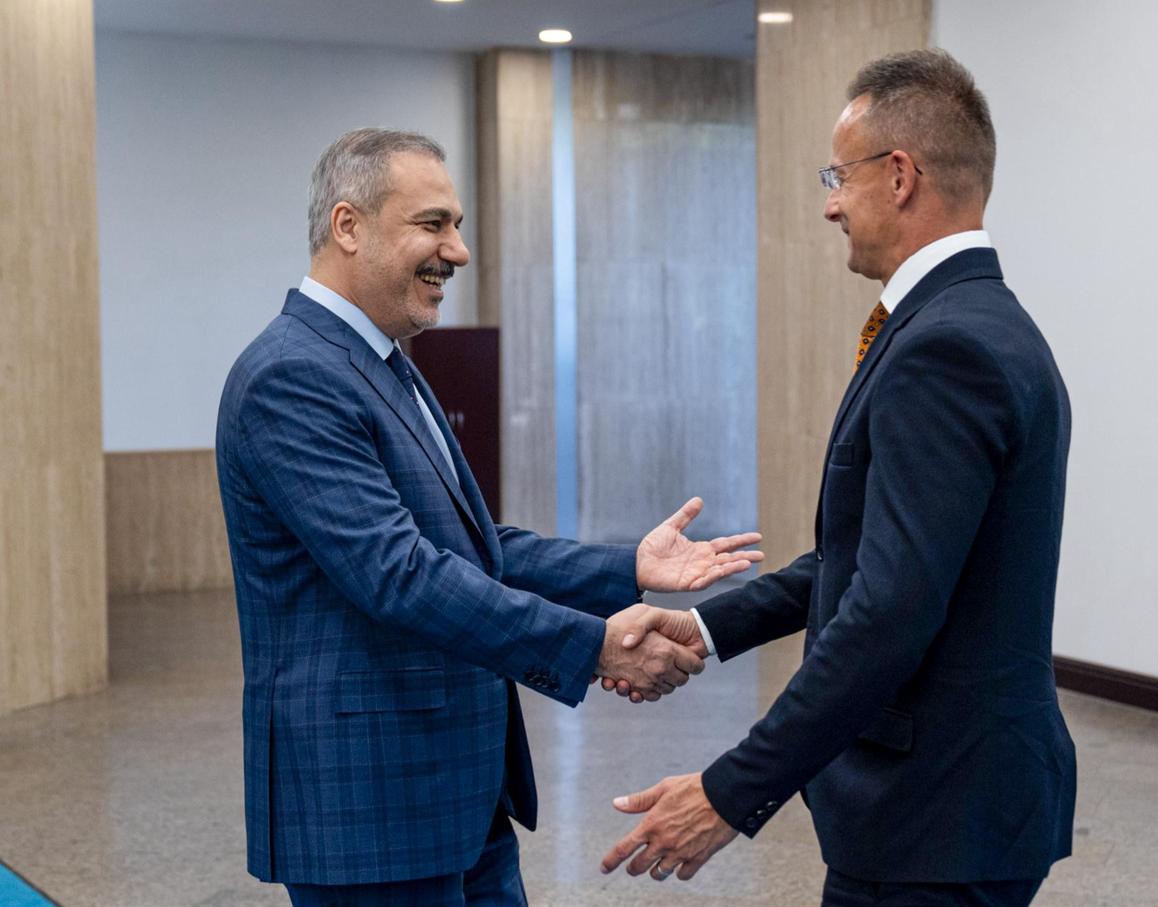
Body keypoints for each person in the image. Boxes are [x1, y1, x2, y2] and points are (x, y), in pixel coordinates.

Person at [215, 127, 763, 906]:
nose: (458, 250)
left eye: (458, 225)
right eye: (433, 223)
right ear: (348, 226)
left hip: (458, 798)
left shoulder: (383, 364)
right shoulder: (291, 377)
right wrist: (596, 645)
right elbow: (398, 575)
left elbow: (472, 545)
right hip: (370, 810)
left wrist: (625, 568)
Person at [601, 49, 1075, 907]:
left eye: (838, 174)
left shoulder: (946, 348)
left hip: (936, 820)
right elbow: (859, 561)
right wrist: (705, 633)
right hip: (953, 813)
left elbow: (890, 610)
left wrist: (727, 791)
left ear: (899, 175)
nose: (828, 203)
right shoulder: (977, 324)